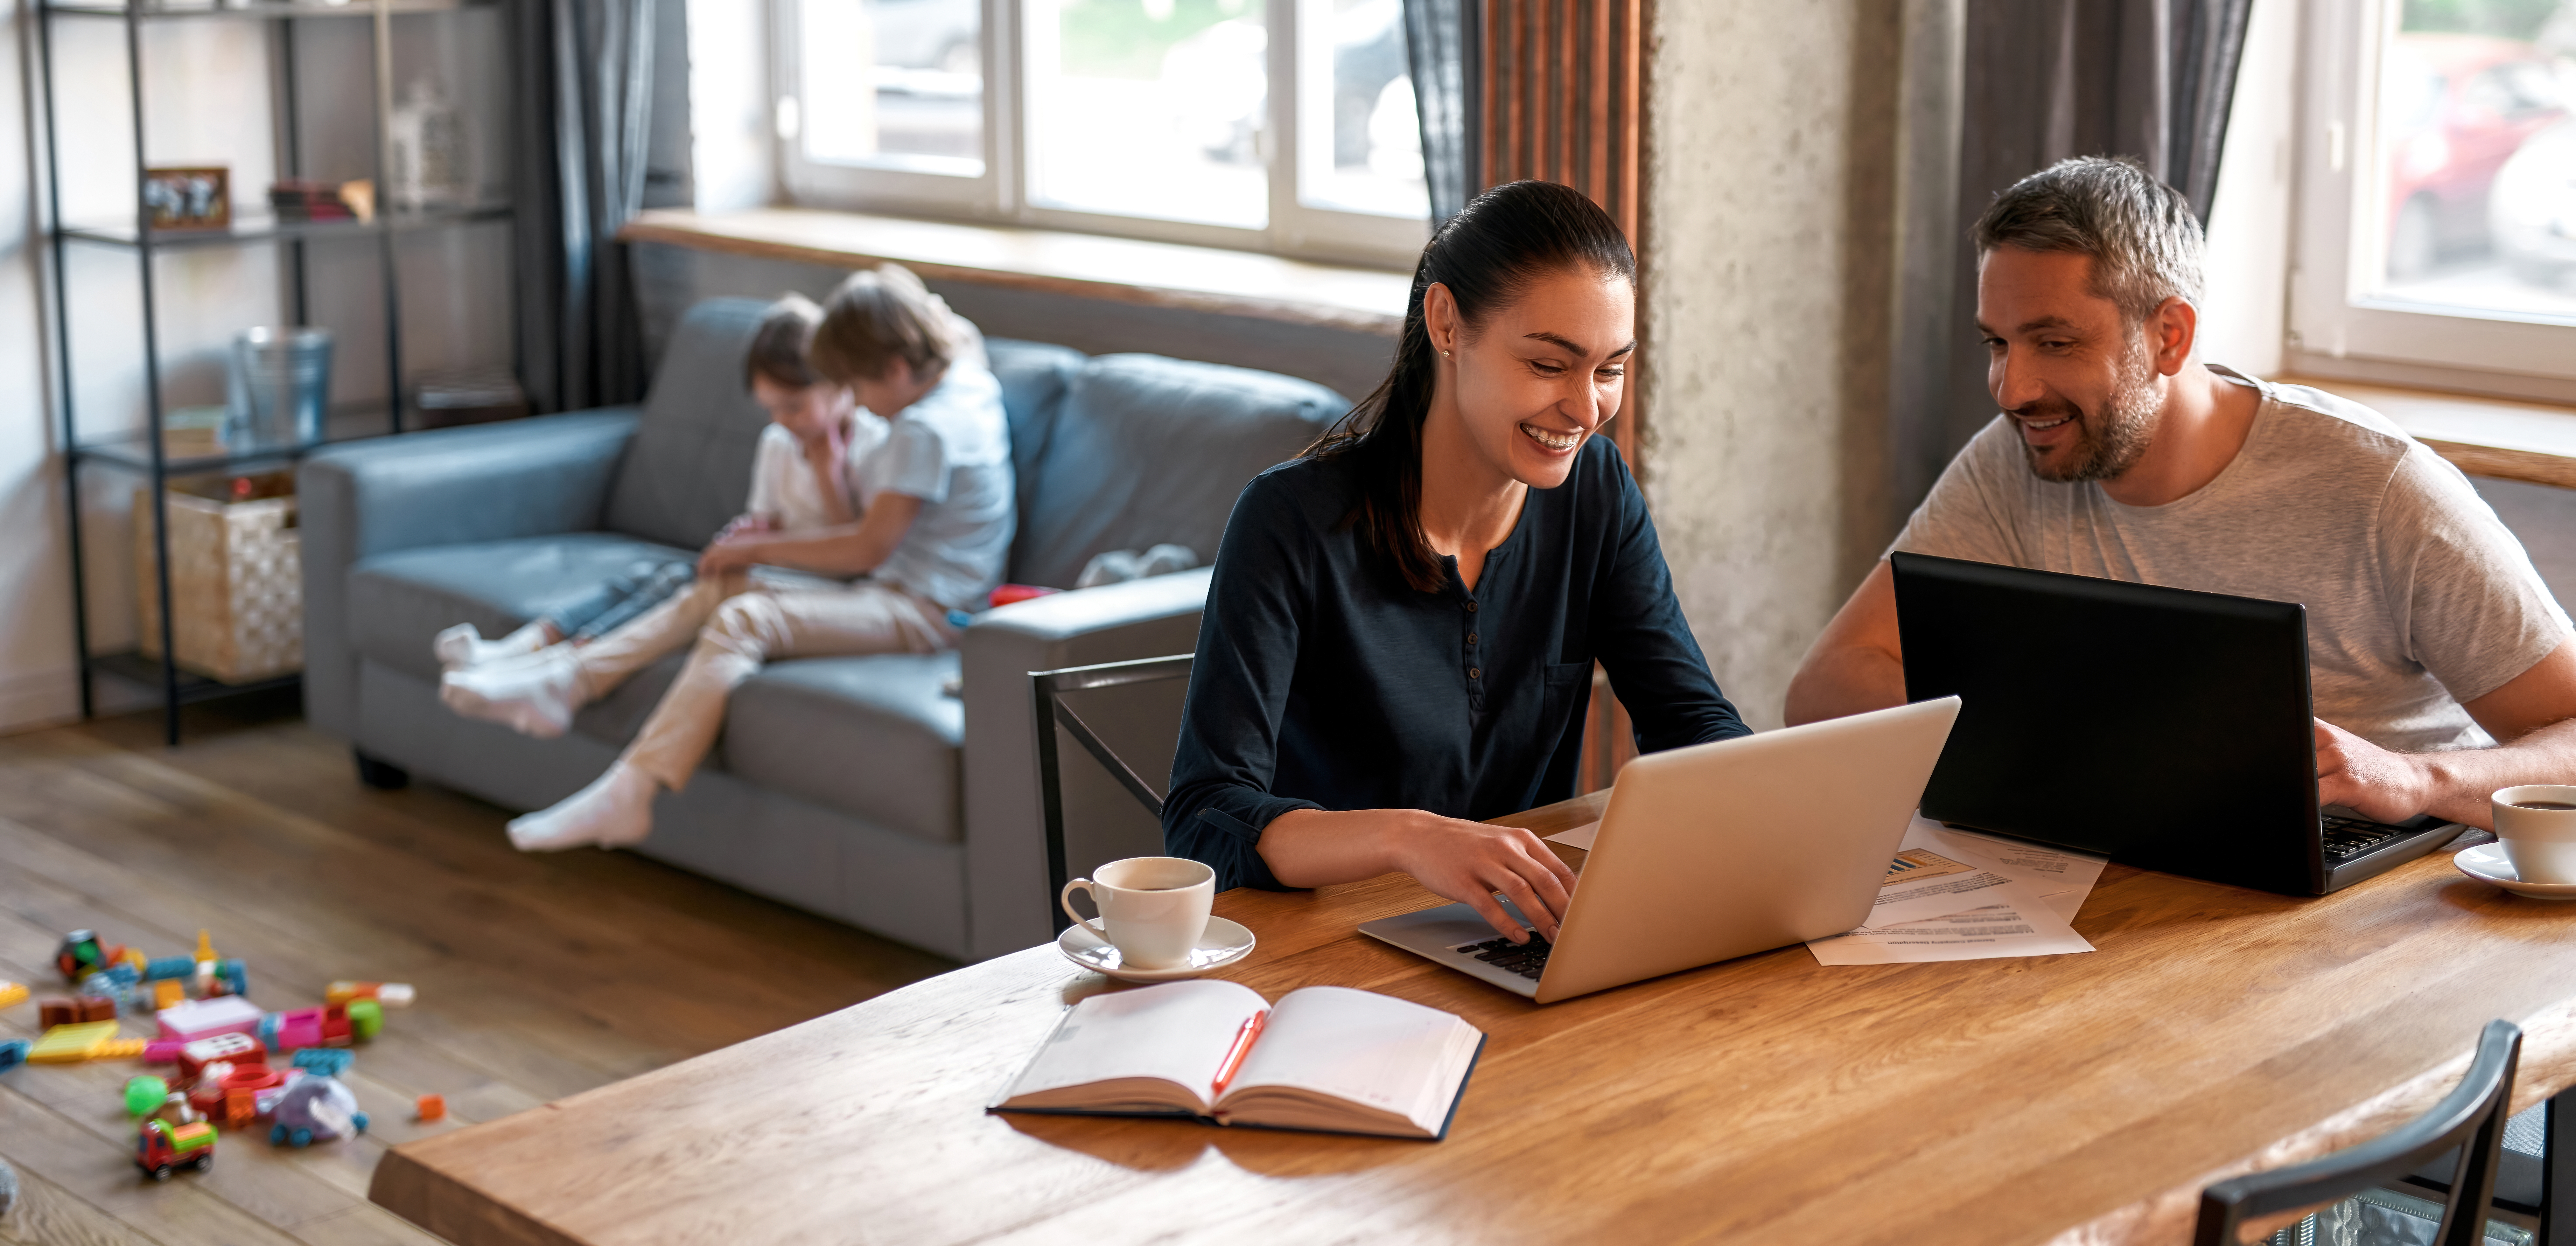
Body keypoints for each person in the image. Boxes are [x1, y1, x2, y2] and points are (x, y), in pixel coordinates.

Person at [1785, 156, 2576, 830]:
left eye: (2053, 343)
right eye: (1997, 342)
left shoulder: (2382, 490)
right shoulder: (2015, 457)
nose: (2010, 387)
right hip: (2125, 879)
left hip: (2359, 921)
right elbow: (1824, 688)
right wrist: (2079, 742)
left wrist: (2411, 780)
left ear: (2169, 336)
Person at [1162, 180, 1750, 946]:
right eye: (1548, 365)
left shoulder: (1596, 495)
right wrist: (1412, 839)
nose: (1585, 408)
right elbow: (1205, 813)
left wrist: (1768, 810)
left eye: (1608, 370)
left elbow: (1688, 721)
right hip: (1321, 956)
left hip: (1513, 939)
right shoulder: (1289, 522)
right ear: (1446, 323)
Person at [449, 264, 1015, 851]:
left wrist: (754, 545)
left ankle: (632, 789)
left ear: (897, 369)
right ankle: (567, 683)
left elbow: (868, 546)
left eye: (860, 388)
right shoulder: (966, 371)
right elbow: (941, 317)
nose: (862, 406)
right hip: (904, 594)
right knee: (726, 586)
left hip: (929, 612)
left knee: (747, 617)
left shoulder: (924, 430)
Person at [431, 293, 891, 676]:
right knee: (649, 575)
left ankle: (567, 659)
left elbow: (855, 557)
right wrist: (743, 535)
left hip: (821, 589)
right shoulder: (777, 441)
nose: (783, 421)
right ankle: (528, 645)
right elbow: (765, 517)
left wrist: (829, 471)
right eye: (771, 409)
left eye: (794, 407)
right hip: (771, 566)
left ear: (839, 387)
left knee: (676, 578)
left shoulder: (870, 446)